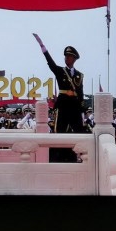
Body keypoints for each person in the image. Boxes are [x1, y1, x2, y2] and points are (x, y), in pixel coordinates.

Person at [33, 33, 86, 162]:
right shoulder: (60, 71)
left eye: (69, 56)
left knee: (79, 132)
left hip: (74, 107)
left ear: (74, 59)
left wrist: (82, 110)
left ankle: (78, 157)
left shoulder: (79, 75)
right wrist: (42, 47)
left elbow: (80, 93)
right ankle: (59, 158)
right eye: (65, 56)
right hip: (63, 105)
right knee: (60, 131)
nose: (66, 58)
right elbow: (50, 63)